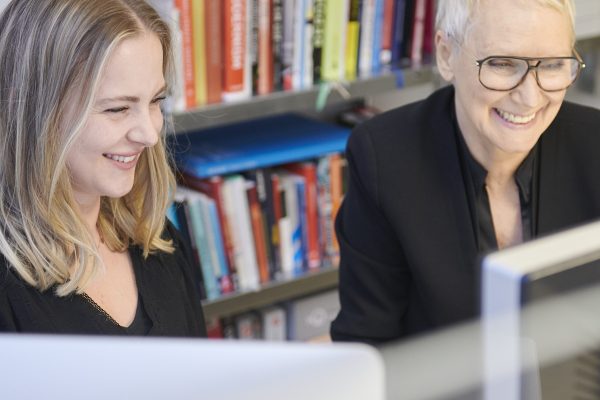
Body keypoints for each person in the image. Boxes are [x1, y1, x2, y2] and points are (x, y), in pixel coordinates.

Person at [331, 0, 600, 344]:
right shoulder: (385, 157)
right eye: (502, 64)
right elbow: (366, 342)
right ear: (446, 56)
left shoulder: (594, 146)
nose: (530, 98)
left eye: (551, 65)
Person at [0, 0, 206, 336]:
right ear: (38, 113)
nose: (150, 135)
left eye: (155, 101)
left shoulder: (157, 241)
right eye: (117, 109)